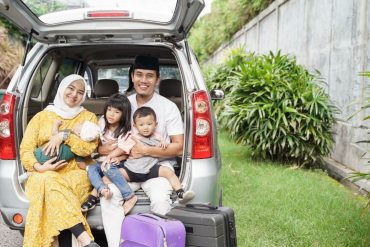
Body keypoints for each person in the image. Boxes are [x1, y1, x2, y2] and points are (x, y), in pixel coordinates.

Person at [99, 55, 185, 247]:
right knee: (109, 196)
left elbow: (178, 147)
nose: (143, 80)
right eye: (139, 75)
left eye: (149, 76)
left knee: (161, 200)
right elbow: (107, 138)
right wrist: (110, 151)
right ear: (132, 76)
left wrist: (146, 150)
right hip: (128, 168)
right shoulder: (122, 104)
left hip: (157, 169)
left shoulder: (168, 107)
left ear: (157, 80)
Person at [20, 74, 100, 247]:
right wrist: (39, 167)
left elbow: (88, 149)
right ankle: (83, 238)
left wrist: (63, 136)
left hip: (74, 171)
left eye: (80, 92)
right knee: (46, 178)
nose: (74, 95)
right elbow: (25, 150)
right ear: (62, 88)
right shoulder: (42, 116)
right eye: (70, 89)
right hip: (41, 170)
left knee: (53, 184)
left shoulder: (89, 117)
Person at [102, 106, 194, 204]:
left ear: (155, 124)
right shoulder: (132, 138)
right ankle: (100, 192)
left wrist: (163, 144)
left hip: (150, 170)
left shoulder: (158, 137)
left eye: (149, 124)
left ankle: (180, 193)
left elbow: (164, 146)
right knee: (106, 177)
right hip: (131, 171)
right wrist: (110, 157)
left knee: (168, 172)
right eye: (141, 125)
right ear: (135, 126)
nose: (146, 127)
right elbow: (121, 149)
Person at [81, 93, 138, 214]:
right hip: (102, 160)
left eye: (117, 112)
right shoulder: (102, 122)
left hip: (118, 162)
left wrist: (112, 157)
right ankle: (102, 189)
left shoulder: (127, 130)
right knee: (91, 169)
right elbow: (94, 139)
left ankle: (129, 195)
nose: (111, 114)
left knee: (107, 168)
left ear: (124, 115)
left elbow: (123, 148)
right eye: (109, 110)